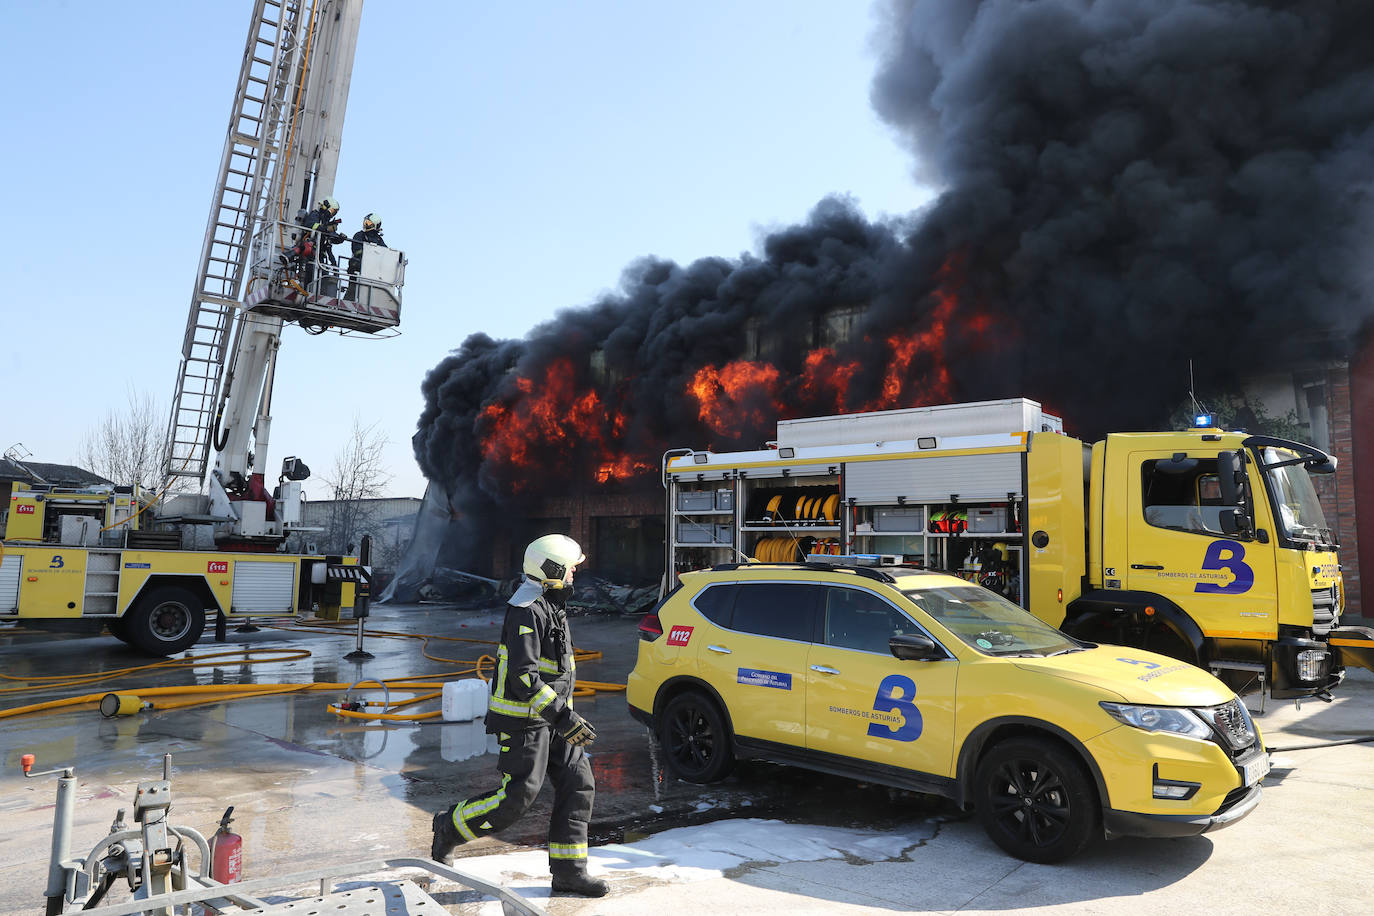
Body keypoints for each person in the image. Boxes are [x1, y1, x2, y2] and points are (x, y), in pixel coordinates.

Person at [430, 534, 609, 898]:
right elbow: (523, 677)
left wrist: (564, 717)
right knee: (518, 798)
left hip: (555, 719)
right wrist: (563, 717)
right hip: (525, 721)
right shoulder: (527, 609)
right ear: (553, 569)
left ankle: (569, 873)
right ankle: (449, 826)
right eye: (571, 566)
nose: (576, 571)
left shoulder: (550, 603)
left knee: (578, 786)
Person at [292, 196, 344, 290]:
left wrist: (340, 238)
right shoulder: (315, 214)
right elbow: (311, 225)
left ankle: (315, 293)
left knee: (323, 278)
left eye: (334, 212)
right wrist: (325, 229)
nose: (333, 213)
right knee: (310, 275)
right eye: (332, 210)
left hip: (320, 256)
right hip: (310, 253)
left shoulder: (326, 221)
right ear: (326, 207)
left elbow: (330, 236)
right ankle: (305, 291)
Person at [345, 212, 385, 300]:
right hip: (358, 268)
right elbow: (357, 251)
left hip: (373, 272)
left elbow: (385, 253)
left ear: (375, 225)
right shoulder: (359, 235)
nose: (366, 225)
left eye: (369, 223)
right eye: (365, 222)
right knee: (352, 292)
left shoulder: (379, 240)